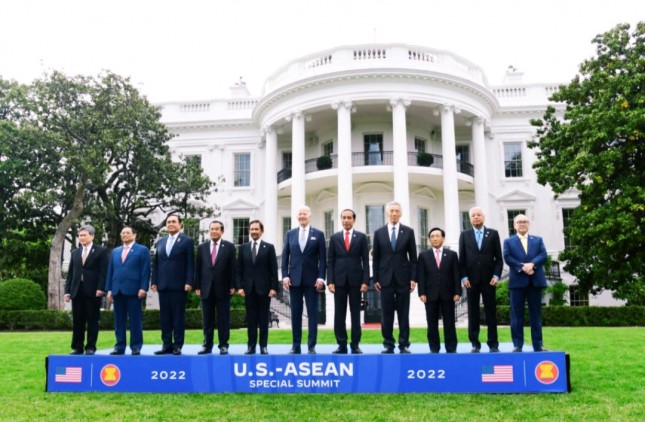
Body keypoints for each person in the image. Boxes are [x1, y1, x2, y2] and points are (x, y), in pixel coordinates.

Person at [372, 201, 417, 354]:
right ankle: (388, 344)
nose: (394, 214)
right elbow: (376, 258)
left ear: (401, 213)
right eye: (391, 211)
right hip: (385, 280)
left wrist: (413, 279)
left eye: (397, 211)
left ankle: (404, 344)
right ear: (387, 213)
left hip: (403, 279)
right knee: (386, 314)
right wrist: (376, 278)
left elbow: (413, 258)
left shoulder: (409, 232)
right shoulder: (379, 233)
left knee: (404, 314)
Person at [281, 205, 326, 354]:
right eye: (299, 214)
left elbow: (323, 259)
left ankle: (311, 346)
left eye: (304, 214)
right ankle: (296, 345)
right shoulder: (290, 234)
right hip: (294, 281)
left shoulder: (318, 234)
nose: (302, 216)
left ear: (310, 215)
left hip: (312, 281)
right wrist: (285, 276)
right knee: (296, 314)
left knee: (313, 314)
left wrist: (321, 278)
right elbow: (285, 257)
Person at [458, 207, 503, 353]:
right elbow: (462, 260)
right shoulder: (464, 235)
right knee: (473, 312)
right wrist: (464, 277)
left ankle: (493, 343)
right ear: (470, 219)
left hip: (489, 280)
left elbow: (499, 259)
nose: (476, 217)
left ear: (483, 217)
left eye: (478, 215)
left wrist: (496, 276)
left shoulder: (493, 234)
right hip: (471, 281)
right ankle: (475, 343)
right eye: (473, 215)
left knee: (491, 311)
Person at [327, 209, 370, 354]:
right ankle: (341, 344)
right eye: (344, 218)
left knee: (355, 315)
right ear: (341, 220)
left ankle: (355, 344)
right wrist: (330, 281)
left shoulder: (361, 237)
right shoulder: (334, 238)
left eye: (349, 218)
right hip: (338, 282)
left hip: (356, 282)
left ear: (354, 220)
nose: (346, 220)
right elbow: (330, 260)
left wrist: (365, 281)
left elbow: (365, 260)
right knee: (339, 314)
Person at [503, 214, 548, 352]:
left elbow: (543, 255)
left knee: (536, 315)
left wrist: (532, 264)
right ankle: (517, 345)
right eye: (519, 222)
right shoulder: (508, 241)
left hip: (535, 281)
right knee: (516, 315)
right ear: (514, 225)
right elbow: (507, 257)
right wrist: (522, 267)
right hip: (517, 282)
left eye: (525, 221)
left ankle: (538, 345)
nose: (522, 224)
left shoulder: (538, 240)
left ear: (529, 224)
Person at [151, 214, 194, 356]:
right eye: (168, 222)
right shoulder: (161, 241)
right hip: (163, 285)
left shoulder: (187, 241)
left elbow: (190, 263)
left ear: (180, 224)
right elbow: (156, 263)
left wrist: (189, 282)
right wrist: (154, 281)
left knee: (177, 317)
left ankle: (177, 345)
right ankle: (166, 345)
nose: (170, 224)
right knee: (165, 317)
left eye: (173, 222)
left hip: (179, 285)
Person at [105, 226, 151, 355]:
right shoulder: (115, 251)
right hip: (117, 290)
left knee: (135, 320)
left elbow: (145, 270)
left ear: (134, 235)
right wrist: (109, 289)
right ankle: (119, 346)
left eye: (127, 233)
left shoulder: (142, 250)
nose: (125, 235)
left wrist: (143, 287)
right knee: (119, 321)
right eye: (122, 232)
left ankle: (136, 346)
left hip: (134, 291)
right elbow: (111, 271)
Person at [64, 224, 108, 355]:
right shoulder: (75, 252)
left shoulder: (101, 251)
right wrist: (67, 291)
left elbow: (103, 272)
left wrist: (101, 288)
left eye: (84, 235)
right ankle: (77, 347)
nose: (81, 238)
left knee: (92, 320)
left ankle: (90, 347)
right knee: (78, 321)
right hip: (77, 291)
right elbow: (71, 273)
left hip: (93, 291)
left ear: (92, 236)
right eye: (80, 235)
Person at [236, 220, 279, 355]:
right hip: (248, 290)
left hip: (264, 290)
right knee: (251, 319)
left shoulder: (269, 247)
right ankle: (251, 346)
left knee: (264, 319)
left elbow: (273, 270)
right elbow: (239, 270)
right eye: (252, 229)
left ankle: (263, 346)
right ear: (249, 231)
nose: (254, 231)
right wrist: (239, 287)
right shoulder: (243, 248)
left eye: (256, 229)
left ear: (262, 231)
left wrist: (273, 288)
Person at [195, 220, 237, 355]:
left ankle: (223, 345)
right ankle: (207, 345)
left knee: (223, 319)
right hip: (205, 288)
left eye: (216, 229)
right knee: (207, 319)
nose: (213, 231)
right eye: (211, 229)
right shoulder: (202, 247)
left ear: (222, 231)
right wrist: (197, 285)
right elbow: (198, 268)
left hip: (223, 288)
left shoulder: (229, 247)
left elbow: (233, 268)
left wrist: (233, 285)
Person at [417, 227, 461, 353]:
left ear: (443, 238)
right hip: (430, 295)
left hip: (448, 294)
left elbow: (456, 274)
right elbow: (421, 275)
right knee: (431, 324)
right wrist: (422, 292)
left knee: (449, 323)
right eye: (432, 236)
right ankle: (434, 348)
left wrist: (457, 292)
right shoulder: (423, 255)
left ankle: (451, 348)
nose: (435, 238)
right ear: (430, 239)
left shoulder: (452, 255)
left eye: (437, 236)